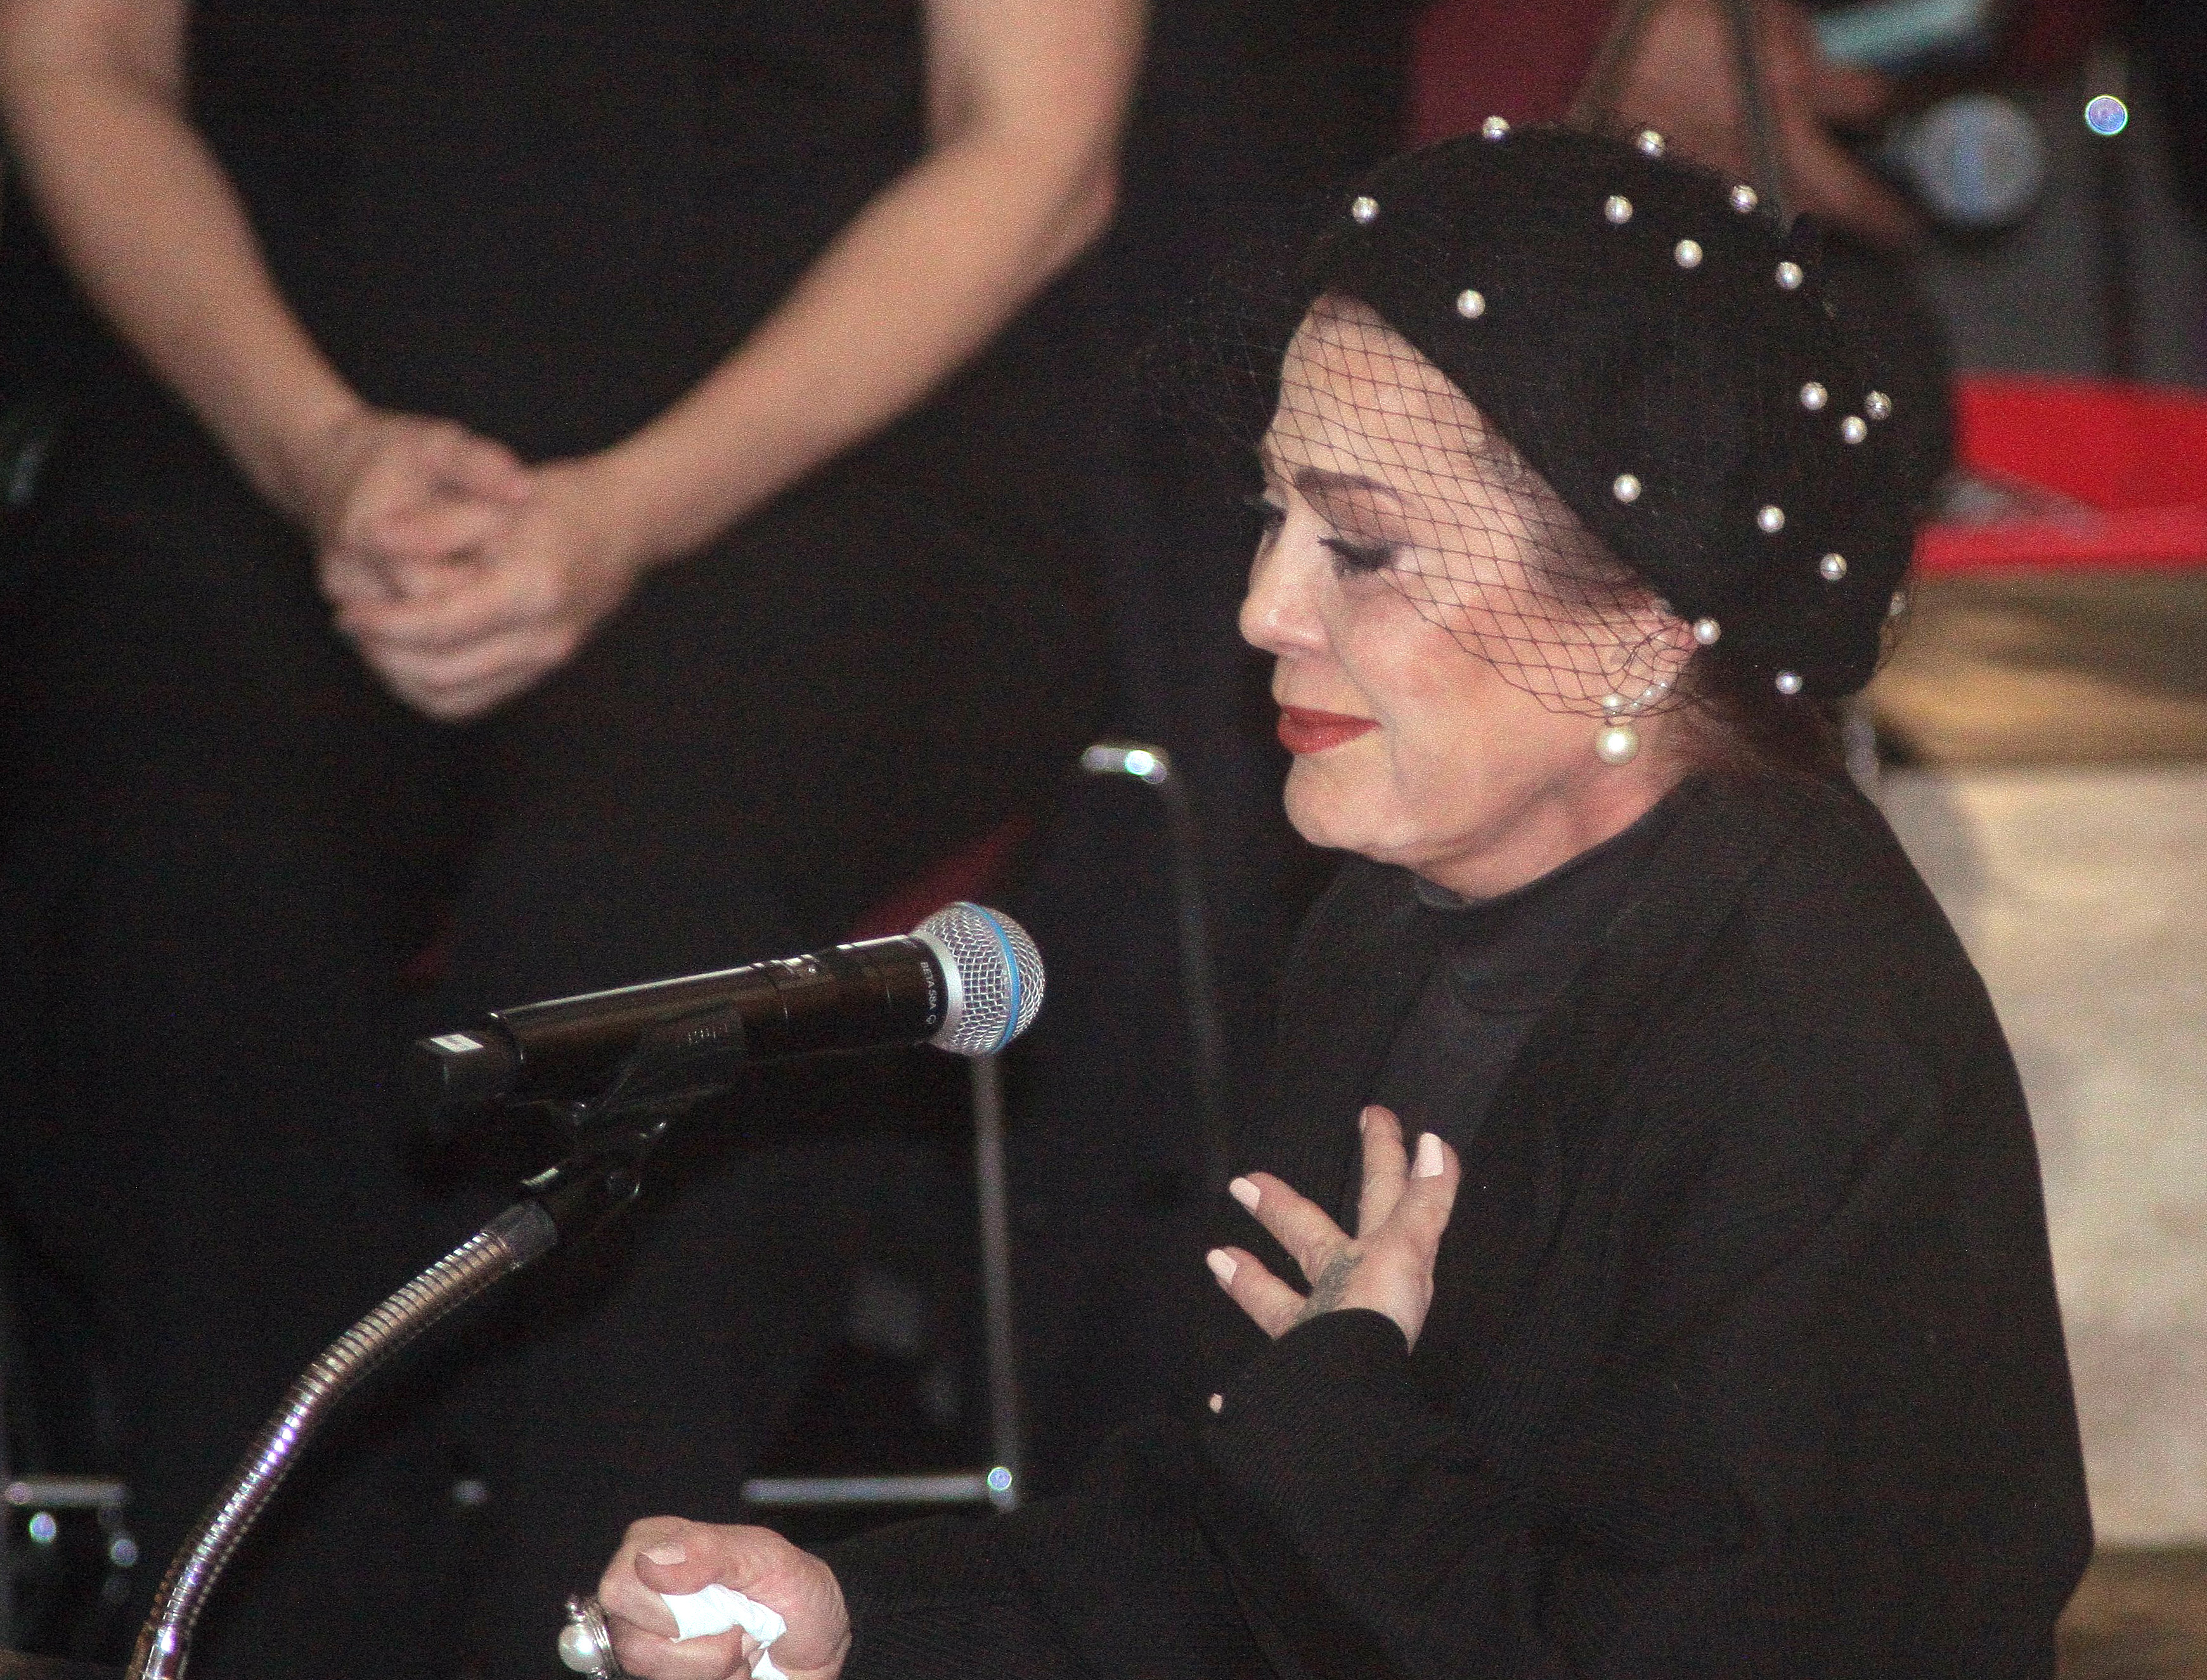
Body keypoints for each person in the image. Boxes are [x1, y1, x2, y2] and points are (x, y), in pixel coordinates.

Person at [583, 127, 2092, 1679]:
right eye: (1271, 515)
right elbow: (1233, 1553)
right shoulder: (1393, 924)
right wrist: (856, 1623)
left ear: (1639, 621)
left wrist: (1339, 1403)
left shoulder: (1807, 1052)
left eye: (1361, 545)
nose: (1261, 608)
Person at [0, 0, 1136, 1674]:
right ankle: (265, 1621)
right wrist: (319, 453)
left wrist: (627, 512)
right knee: (193, 876)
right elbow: (76, 64)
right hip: (258, 422)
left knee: (629, 911)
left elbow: (1037, 150)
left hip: (825, 449)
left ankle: (614, 1620)